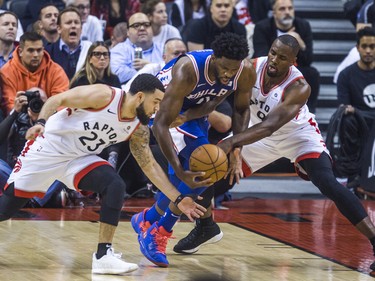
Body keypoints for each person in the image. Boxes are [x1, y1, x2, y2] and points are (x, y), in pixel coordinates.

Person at [172, 34, 375, 272]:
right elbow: (224, 101)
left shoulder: (299, 87)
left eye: (281, 57)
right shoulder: (250, 67)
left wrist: (231, 144)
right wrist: (188, 117)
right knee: (211, 168)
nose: (274, 60)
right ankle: (206, 227)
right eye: (272, 52)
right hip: (256, 134)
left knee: (328, 183)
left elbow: (270, 126)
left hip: (297, 136)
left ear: (293, 61)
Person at [0, 73, 207, 275]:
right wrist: (41, 122)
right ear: (141, 96)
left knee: (115, 185)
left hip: (78, 159)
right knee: (5, 210)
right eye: (156, 101)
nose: (157, 109)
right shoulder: (104, 96)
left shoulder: (138, 128)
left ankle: (103, 256)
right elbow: (58, 99)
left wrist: (178, 199)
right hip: (47, 150)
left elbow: (149, 165)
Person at [131, 32, 256, 267]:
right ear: (215, 58)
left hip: (195, 113)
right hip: (163, 111)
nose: (229, 74)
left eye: (234, 69)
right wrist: (179, 169)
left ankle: (147, 219)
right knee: (206, 168)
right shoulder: (189, 69)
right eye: (226, 68)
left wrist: (237, 148)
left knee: (197, 176)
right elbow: (161, 124)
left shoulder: (244, 70)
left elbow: (239, 110)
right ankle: (157, 232)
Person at [253, 0, 320, 113]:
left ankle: (310, 111)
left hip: (293, 67)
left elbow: (308, 60)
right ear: (274, 12)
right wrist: (284, 43)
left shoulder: (303, 26)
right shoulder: (262, 27)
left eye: (290, 8)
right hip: (270, 67)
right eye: (282, 9)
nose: (287, 12)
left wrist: (300, 43)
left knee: (312, 73)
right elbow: (262, 55)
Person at [335, 26, 375, 188]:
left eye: (372, 47)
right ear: (357, 47)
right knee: (348, 119)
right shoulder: (345, 75)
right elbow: (345, 107)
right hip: (360, 124)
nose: (368, 51)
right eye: (364, 46)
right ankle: (350, 173)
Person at [1, 31, 69, 116]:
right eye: (31, 50)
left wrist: (41, 118)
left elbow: (61, 104)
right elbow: (9, 107)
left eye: (39, 50)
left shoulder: (56, 71)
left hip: (49, 121)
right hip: (17, 123)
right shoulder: (7, 72)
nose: (36, 55)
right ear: (20, 52)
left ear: (43, 50)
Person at [110, 12, 163, 84]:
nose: (142, 28)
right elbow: (117, 74)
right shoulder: (118, 50)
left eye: (146, 25)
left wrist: (150, 66)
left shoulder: (163, 49)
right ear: (128, 32)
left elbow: (173, 71)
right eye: (136, 25)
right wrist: (151, 70)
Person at [44, 7, 92, 80]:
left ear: (81, 29)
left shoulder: (91, 51)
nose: (73, 26)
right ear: (59, 29)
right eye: (68, 23)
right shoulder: (47, 53)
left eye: (76, 22)